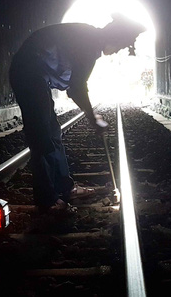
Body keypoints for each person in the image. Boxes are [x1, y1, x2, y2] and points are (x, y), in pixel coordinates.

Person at [9, 14, 146, 213]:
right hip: (28, 74)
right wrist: (93, 118)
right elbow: (76, 88)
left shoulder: (90, 39)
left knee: (52, 132)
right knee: (42, 136)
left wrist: (93, 116)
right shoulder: (89, 43)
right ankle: (47, 201)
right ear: (116, 36)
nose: (121, 50)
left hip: (35, 75)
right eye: (124, 44)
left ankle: (65, 189)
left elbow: (76, 86)